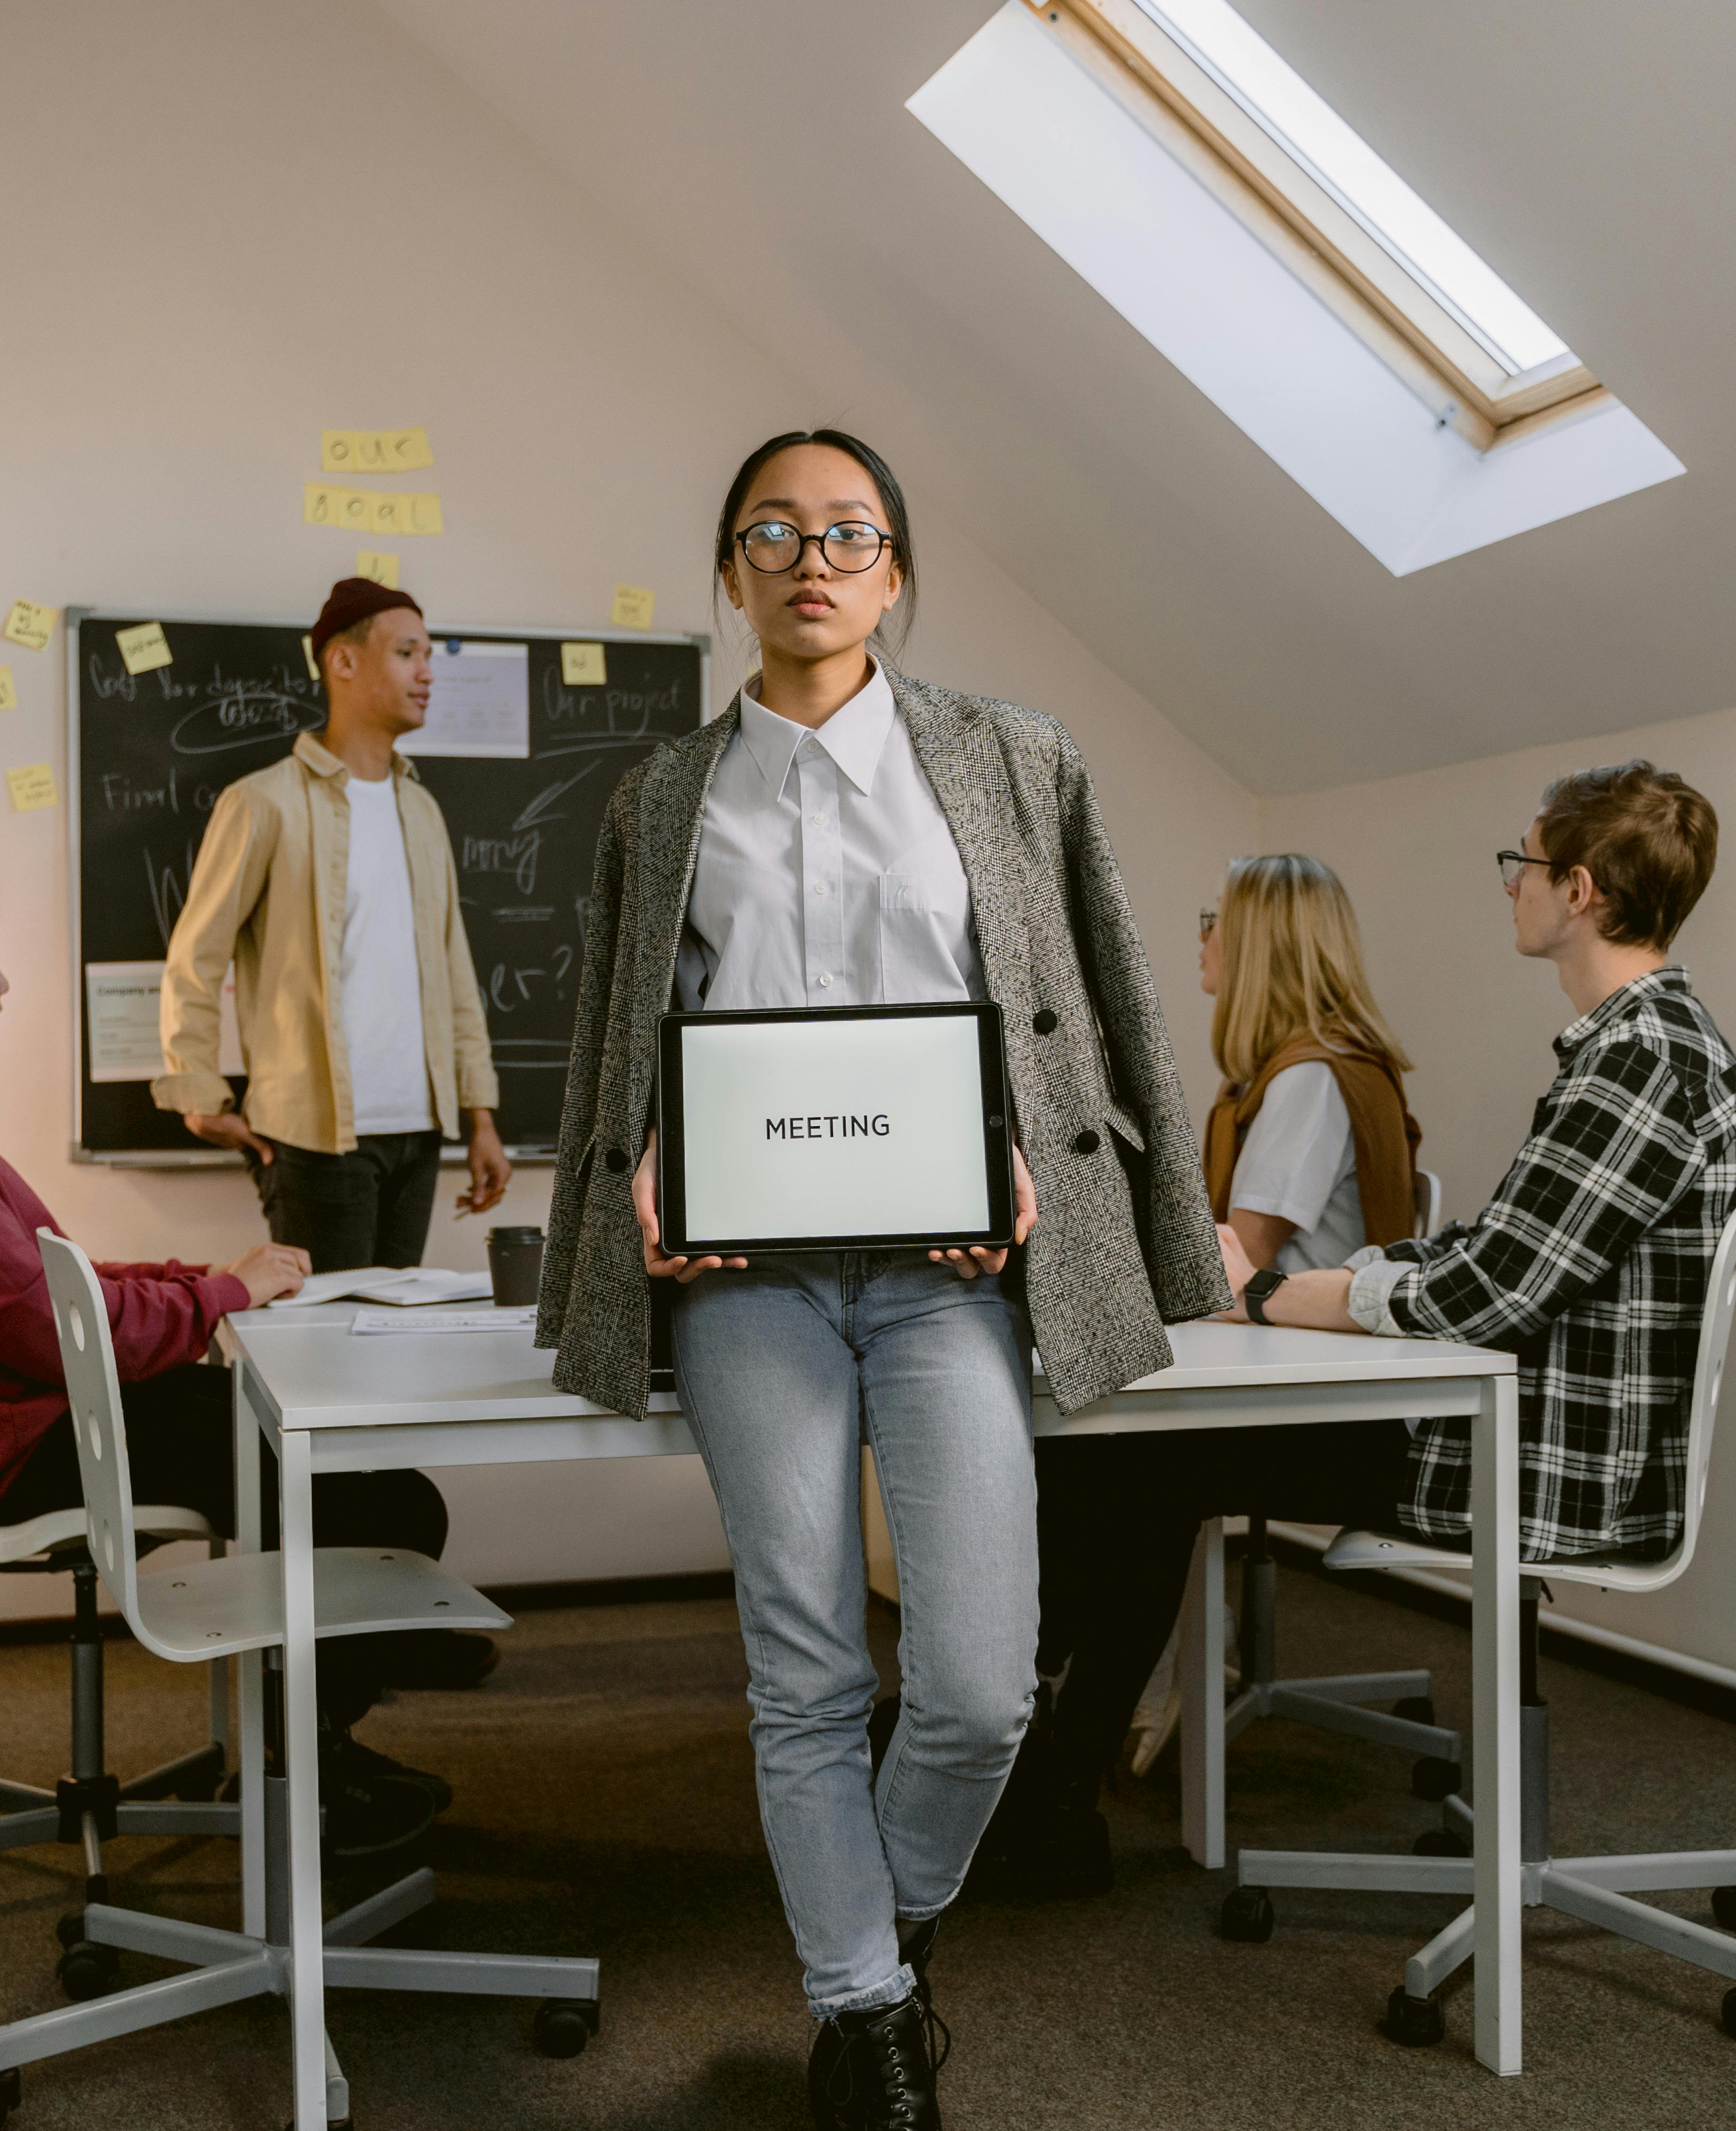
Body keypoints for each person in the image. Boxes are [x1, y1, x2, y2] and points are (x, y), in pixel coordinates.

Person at [536, 429, 1226, 2128]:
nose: (811, 558)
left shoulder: (1008, 757)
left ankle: (881, 1932)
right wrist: (641, 1164)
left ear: (896, 571)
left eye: (847, 532)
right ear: (730, 573)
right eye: (771, 532)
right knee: (807, 1668)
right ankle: (861, 2013)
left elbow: (1091, 1003)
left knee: (984, 1685)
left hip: (947, 1271)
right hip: (745, 1272)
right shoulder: (661, 794)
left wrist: (1041, 1152)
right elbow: (634, 1040)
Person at [0, 862, 461, 1854]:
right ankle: (311, 1771)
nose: (4, 982)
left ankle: (320, 1731)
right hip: (40, 1443)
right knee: (383, 1501)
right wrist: (218, 1299)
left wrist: (204, 1278)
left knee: (353, 1483)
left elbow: (52, 1281)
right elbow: (47, 1325)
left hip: (51, 1415)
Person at [977, 854, 1426, 1894]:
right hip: (1315, 1386)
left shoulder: (1310, 1083)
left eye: (1212, 921)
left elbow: (1225, 1260)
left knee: (1125, 1468)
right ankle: (1038, 1734)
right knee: (1124, 1468)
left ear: (1261, 943)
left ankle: (1038, 1739)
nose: (1200, 940)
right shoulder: (1308, 1073)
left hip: (1339, 1415)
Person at [1250, 758, 1736, 1549]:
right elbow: (1499, 1250)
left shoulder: (1641, 1061)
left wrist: (1263, 1295)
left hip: (1532, 1472)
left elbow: (1488, 1296)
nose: (1510, 886)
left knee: (1143, 1451)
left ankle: (1025, 1677)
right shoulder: (1648, 1045)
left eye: (1523, 862)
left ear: (1577, 890)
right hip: (1538, 1446)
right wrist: (1339, 1281)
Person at [155, 577, 511, 1271]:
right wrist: (195, 1090)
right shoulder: (263, 804)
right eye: (407, 653)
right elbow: (197, 955)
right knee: (324, 1360)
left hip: (420, 1132)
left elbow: (454, 972)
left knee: (393, 1353)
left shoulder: (422, 810)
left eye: (429, 656)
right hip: (315, 1137)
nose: (427, 674)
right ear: (342, 663)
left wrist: (481, 1116)